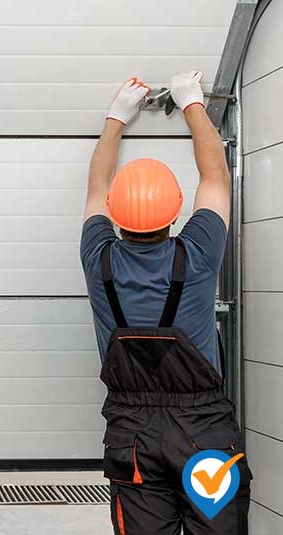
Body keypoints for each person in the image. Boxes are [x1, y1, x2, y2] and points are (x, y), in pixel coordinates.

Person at [80, 72, 252, 534]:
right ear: (175, 213)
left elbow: (97, 186)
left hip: (132, 434)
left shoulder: (98, 260)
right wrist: (192, 102)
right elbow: (215, 173)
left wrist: (117, 116)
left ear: (115, 215)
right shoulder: (196, 254)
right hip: (204, 433)